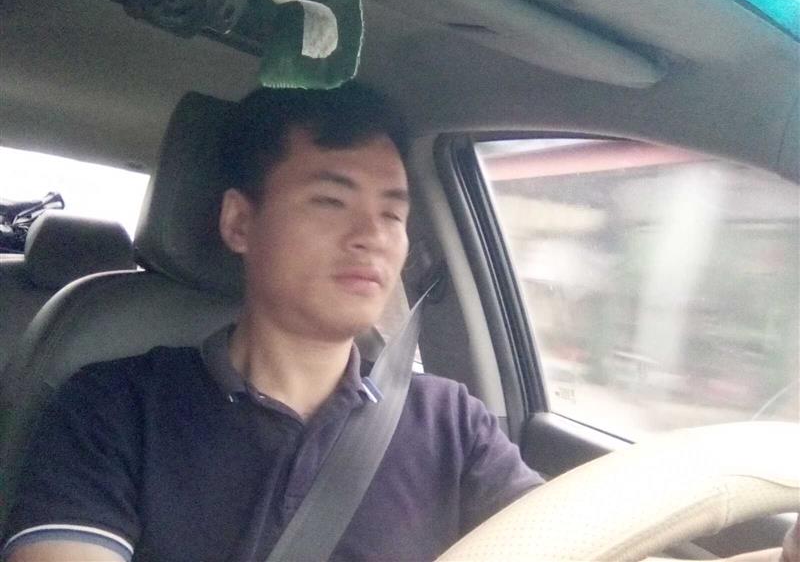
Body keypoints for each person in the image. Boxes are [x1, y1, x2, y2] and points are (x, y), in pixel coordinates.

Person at [1, 84, 797, 562]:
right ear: (240, 223)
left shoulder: (452, 423)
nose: (372, 236)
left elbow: (576, 543)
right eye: (331, 199)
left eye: (392, 212)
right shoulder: (113, 405)